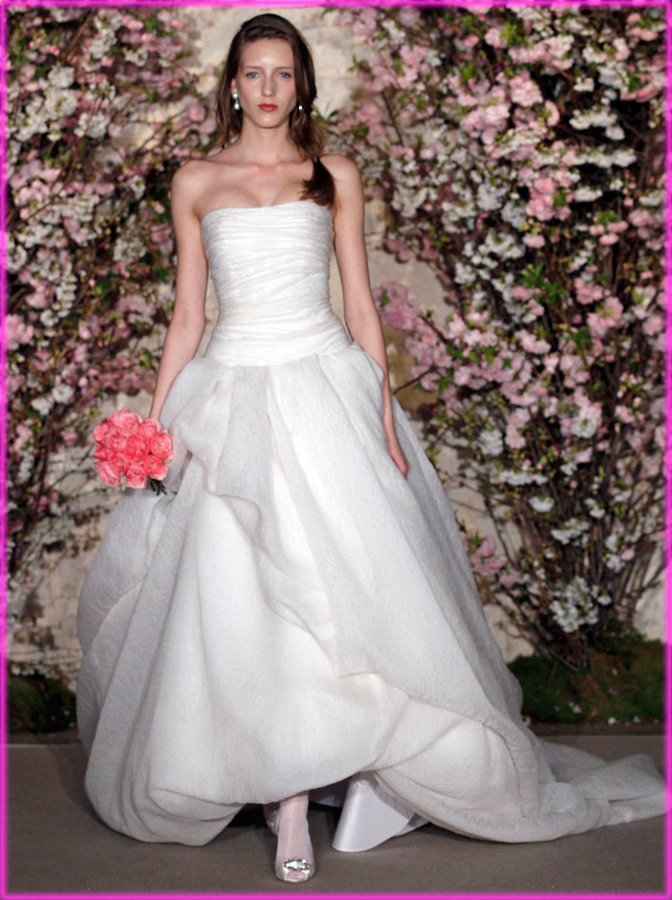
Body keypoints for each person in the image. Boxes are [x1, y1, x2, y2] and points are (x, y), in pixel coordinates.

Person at [76, 12, 666, 886]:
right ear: (232, 83)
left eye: (283, 73)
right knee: (246, 601)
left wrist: (383, 419)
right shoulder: (195, 179)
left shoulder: (333, 175)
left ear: (301, 84)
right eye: (253, 72)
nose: (268, 88)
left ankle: (315, 784)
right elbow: (188, 314)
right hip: (230, 397)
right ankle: (282, 794)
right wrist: (156, 426)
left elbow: (359, 304)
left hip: (325, 392)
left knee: (334, 591)